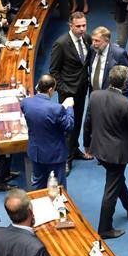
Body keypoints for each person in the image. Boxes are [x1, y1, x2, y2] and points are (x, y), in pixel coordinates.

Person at [84, 65, 128, 239]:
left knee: (117, 179)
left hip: (99, 149)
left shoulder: (94, 95)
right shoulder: (126, 103)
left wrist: (86, 146)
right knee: (111, 189)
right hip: (117, 154)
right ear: (126, 82)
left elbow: (88, 122)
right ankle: (105, 228)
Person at [49, 12, 91, 160]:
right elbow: (54, 70)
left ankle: (74, 149)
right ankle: (66, 158)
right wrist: (63, 90)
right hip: (67, 92)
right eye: (78, 26)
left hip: (82, 89)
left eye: (84, 25)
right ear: (70, 25)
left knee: (78, 120)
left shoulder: (86, 38)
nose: (82, 29)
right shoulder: (61, 43)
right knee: (67, 126)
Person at [21, 75, 74, 190]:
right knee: (57, 186)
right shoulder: (56, 109)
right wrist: (69, 108)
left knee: (38, 183)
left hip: (36, 152)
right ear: (50, 90)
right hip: (54, 155)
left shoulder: (25, 103)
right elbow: (69, 125)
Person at [85, 25, 128, 97]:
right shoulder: (92, 49)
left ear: (107, 41)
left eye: (97, 41)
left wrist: (120, 100)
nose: (94, 43)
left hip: (110, 98)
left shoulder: (119, 54)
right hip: (93, 96)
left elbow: (126, 80)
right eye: (93, 40)